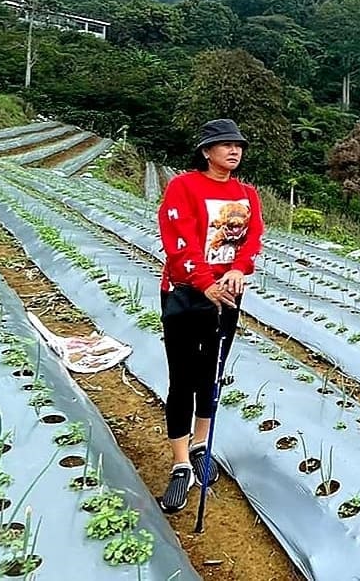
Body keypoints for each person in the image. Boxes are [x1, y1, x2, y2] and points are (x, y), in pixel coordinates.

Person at [156, 118, 264, 513]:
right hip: (187, 294)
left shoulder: (247, 194)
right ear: (206, 151)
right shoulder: (183, 187)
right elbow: (179, 243)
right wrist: (206, 283)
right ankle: (180, 463)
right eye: (225, 145)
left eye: (239, 145)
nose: (234, 150)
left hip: (228, 295)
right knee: (182, 378)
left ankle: (201, 443)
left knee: (211, 373)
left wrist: (238, 269)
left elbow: (252, 238)